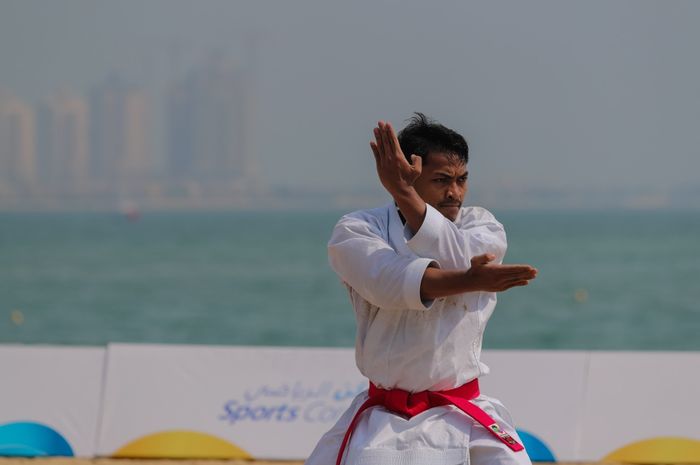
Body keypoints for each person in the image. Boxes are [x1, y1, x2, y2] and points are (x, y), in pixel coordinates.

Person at [305, 113, 538, 465]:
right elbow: (388, 285)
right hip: (384, 419)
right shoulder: (355, 230)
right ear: (409, 175)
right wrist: (470, 280)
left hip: (464, 411)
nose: (454, 193)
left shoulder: (482, 224)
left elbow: (457, 257)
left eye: (462, 180)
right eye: (441, 180)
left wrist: (406, 197)